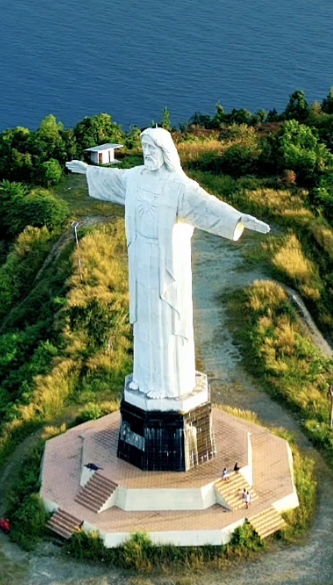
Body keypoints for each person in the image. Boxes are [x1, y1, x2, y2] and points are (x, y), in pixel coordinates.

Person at [67, 128, 269, 401]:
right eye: (145, 148)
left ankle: (168, 385)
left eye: (153, 148)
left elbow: (207, 205)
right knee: (146, 321)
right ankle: (144, 378)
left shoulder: (179, 186)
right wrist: (88, 171)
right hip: (142, 260)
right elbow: (114, 179)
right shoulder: (136, 177)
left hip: (167, 267)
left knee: (166, 322)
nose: (148, 154)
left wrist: (238, 218)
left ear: (165, 152)